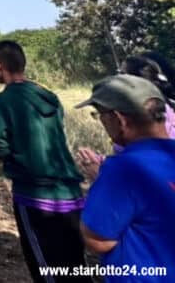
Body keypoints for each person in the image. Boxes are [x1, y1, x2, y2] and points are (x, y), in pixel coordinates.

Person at [0, 40, 89, 282]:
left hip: (35, 195)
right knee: (76, 265)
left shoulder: (1, 102)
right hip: (71, 193)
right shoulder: (49, 97)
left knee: (46, 268)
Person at [75, 75, 175, 278]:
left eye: (100, 115)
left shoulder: (122, 169)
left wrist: (100, 182)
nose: (101, 122)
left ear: (120, 119)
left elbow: (98, 240)